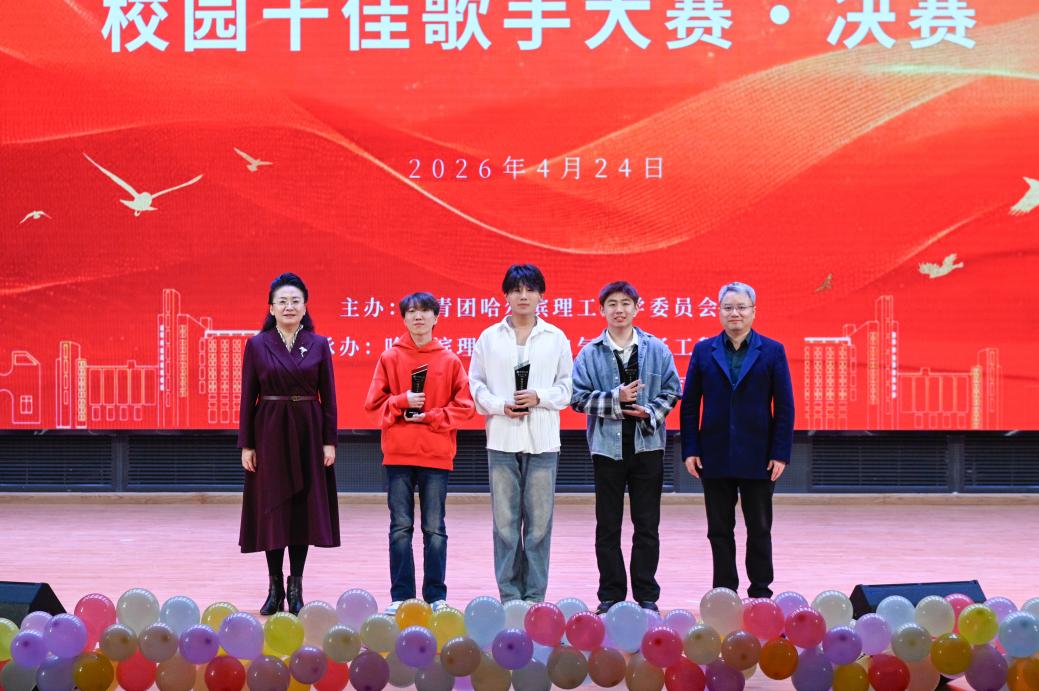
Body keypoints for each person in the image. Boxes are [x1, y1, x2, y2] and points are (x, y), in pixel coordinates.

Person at [571, 281, 681, 614]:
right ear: (601, 310)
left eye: (625, 303)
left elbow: (672, 390)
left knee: (647, 525)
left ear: (637, 307)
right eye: (612, 304)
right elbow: (577, 398)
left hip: (648, 447)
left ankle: (647, 595)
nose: (619, 310)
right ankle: (611, 595)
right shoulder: (590, 352)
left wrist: (650, 412)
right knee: (608, 525)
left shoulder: (656, 348)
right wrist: (614, 399)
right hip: (607, 449)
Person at [680, 281, 794, 598]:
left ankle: (761, 591)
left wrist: (780, 453)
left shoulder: (772, 350)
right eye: (728, 307)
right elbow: (690, 404)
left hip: (759, 455)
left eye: (742, 307)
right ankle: (724, 590)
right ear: (719, 312)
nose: (735, 313)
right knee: (719, 529)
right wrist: (691, 448)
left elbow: (785, 406)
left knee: (759, 527)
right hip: (714, 453)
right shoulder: (704, 351)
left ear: (753, 312)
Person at [363, 292, 475, 614]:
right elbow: (372, 404)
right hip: (398, 455)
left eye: (425, 311)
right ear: (404, 318)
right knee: (400, 528)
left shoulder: (449, 360)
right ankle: (401, 597)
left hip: (436, 455)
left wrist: (432, 416)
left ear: (436, 317)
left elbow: (465, 406)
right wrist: (401, 401)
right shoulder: (390, 358)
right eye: (412, 311)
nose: (418, 317)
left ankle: (436, 596)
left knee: (434, 529)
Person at [469, 264, 573, 603]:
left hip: (543, 442)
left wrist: (539, 397)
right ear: (506, 296)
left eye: (530, 289)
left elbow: (567, 388)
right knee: (505, 525)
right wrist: (500, 405)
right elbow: (476, 385)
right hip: (501, 439)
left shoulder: (556, 337)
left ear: (542, 295)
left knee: (540, 525)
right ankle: (510, 597)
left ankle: (534, 598)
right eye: (516, 290)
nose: (523, 296)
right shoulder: (489, 337)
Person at [239, 272, 339, 615]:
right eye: (282, 301)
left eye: (295, 301)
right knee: (273, 511)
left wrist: (329, 441)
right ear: (271, 308)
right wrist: (247, 444)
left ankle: (296, 588)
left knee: (301, 512)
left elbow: (329, 397)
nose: (289, 307)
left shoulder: (318, 344)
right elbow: (248, 397)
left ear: (305, 306)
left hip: (308, 431)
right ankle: (274, 587)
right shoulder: (257, 345)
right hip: (268, 432)